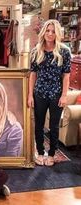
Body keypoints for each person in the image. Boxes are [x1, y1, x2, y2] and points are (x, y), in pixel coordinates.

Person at [28, 19, 71, 166]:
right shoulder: (36, 51)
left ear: (57, 33)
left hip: (56, 94)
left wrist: (64, 95)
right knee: (38, 125)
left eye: (53, 31)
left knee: (54, 126)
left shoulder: (64, 52)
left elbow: (66, 75)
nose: (50, 34)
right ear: (43, 32)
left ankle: (52, 153)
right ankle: (40, 152)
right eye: (47, 30)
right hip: (39, 93)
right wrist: (29, 95)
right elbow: (33, 74)